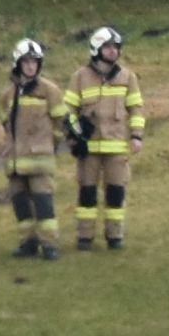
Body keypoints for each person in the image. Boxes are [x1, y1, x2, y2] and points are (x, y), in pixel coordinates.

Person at [63, 26, 148, 250]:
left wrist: (137, 136)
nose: (113, 51)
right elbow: (68, 111)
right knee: (87, 193)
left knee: (116, 193)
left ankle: (115, 236)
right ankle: (85, 237)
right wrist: (74, 135)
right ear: (96, 49)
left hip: (117, 147)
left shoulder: (128, 77)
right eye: (108, 47)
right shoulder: (80, 77)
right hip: (88, 148)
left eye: (116, 47)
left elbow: (137, 109)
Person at [0, 39, 64, 258]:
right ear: (18, 64)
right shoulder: (7, 95)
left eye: (35, 61)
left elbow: (59, 124)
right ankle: (28, 243)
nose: (31, 66)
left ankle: (50, 245)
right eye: (26, 62)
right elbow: (7, 126)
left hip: (40, 159)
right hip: (15, 161)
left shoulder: (50, 90)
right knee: (20, 204)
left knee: (44, 204)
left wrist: (49, 146)